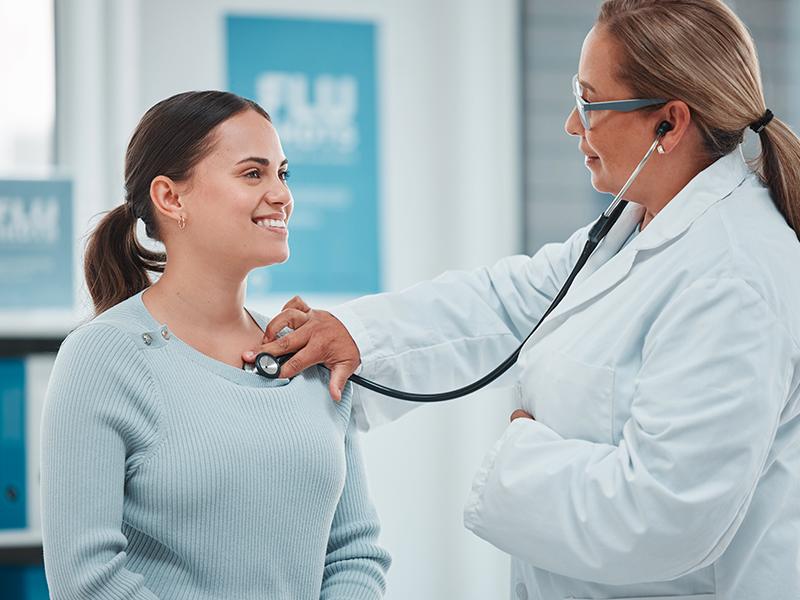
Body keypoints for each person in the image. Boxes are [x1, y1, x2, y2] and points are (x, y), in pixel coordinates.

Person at [243, 1, 800, 598]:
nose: (570, 124)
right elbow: (510, 302)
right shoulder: (636, 226)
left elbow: (667, 516)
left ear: (669, 122)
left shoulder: (733, 277)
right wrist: (356, 332)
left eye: (590, 102)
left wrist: (523, 454)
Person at [40, 90, 390, 600]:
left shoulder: (305, 350)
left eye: (282, 174)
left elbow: (355, 552)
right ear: (171, 197)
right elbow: (87, 580)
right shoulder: (102, 358)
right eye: (253, 174)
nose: (281, 195)